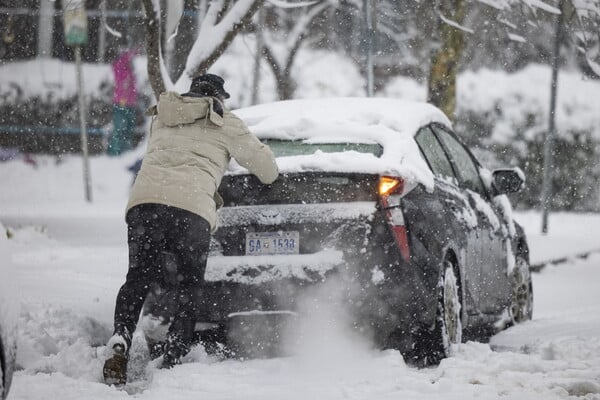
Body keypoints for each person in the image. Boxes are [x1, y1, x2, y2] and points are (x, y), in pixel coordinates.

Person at [103, 74, 279, 385]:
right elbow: (267, 172)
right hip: (191, 212)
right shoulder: (226, 122)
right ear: (218, 98)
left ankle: (120, 339)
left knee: (138, 278)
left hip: (145, 207)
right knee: (188, 285)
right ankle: (173, 353)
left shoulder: (163, 116)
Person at [107, 47, 138, 156]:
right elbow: (123, 85)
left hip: (130, 103)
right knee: (119, 129)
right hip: (121, 103)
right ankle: (115, 152)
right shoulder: (120, 67)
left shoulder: (129, 70)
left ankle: (124, 152)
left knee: (128, 129)